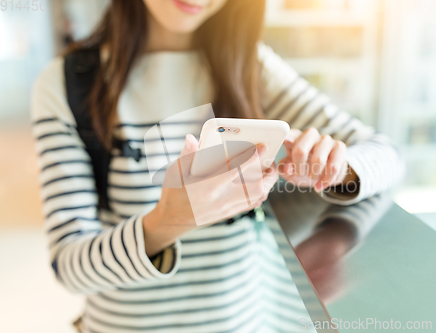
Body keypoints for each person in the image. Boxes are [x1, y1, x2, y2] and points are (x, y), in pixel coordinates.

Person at [31, 0, 404, 331]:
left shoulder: (251, 67)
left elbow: (387, 155)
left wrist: (336, 168)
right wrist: (168, 221)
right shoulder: (67, 84)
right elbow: (69, 265)